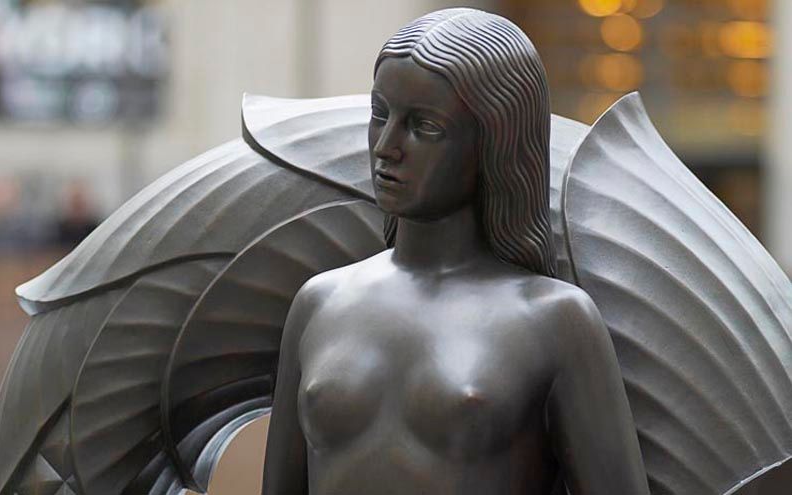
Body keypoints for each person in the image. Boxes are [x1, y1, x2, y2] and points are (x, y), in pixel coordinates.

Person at [262, 8, 650, 495]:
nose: (386, 146)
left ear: (494, 142)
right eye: (380, 113)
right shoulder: (319, 303)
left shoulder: (555, 320)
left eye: (424, 127)